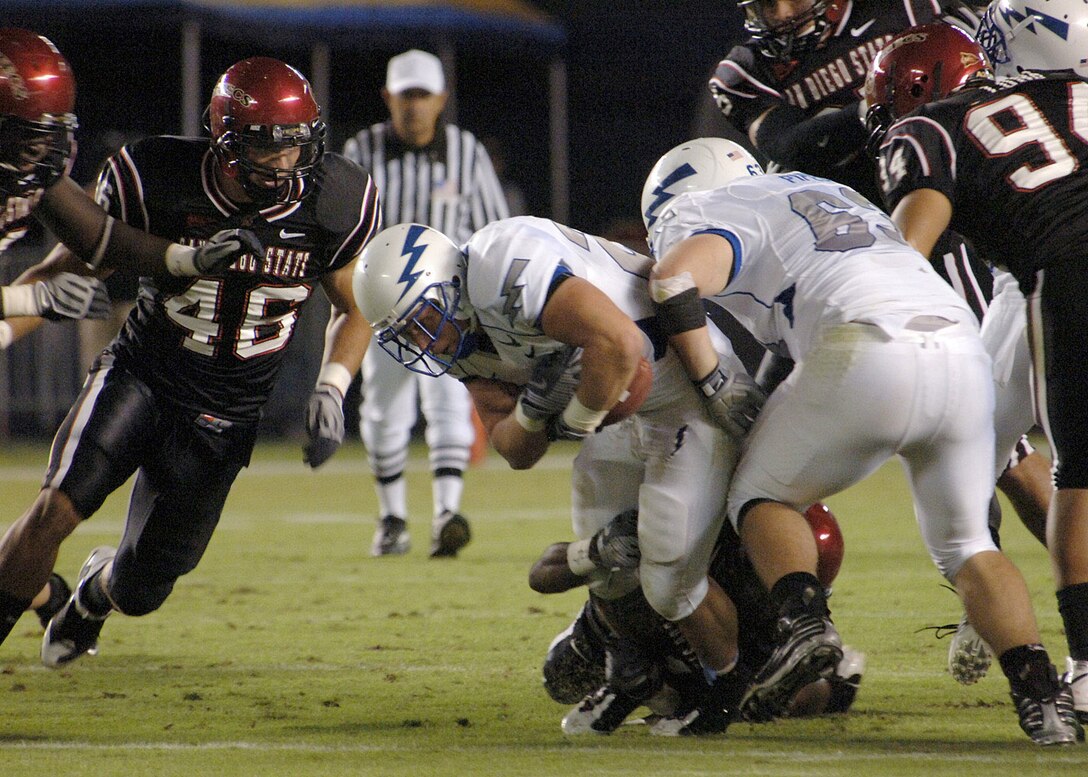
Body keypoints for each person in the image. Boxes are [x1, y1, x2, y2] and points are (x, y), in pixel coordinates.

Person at [642, 136, 1080, 745]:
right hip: (958, 342)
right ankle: (1040, 696)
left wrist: (711, 378)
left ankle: (805, 624)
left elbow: (672, 280)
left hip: (867, 345)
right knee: (967, 543)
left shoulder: (708, 210)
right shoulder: (829, 191)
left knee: (760, 497)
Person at [708, 0, 1053, 685]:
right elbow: (788, 148)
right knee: (754, 448)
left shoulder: (911, 5)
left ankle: (1005, 595)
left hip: (943, 227)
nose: (775, 11)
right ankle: (790, 629)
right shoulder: (742, 70)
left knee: (1004, 451)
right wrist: (890, 107)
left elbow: (998, 60)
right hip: (841, 260)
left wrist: (919, 112)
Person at [0, 55, 382, 666]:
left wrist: (333, 386)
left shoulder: (335, 198)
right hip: (142, 375)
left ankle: (93, 596)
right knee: (56, 508)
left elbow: (355, 304)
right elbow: (62, 274)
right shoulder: (155, 176)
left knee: (143, 588)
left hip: (228, 411)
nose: (286, 163)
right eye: (268, 148)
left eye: (296, 146)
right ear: (227, 142)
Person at [352, 209, 766, 734]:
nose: (424, 343)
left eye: (423, 321)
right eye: (406, 336)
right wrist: (533, 412)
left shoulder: (502, 267)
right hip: (615, 403)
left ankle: (728, 688)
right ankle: (651, 679)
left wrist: (569, 421)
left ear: (448, 284)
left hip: (684, 388)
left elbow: (620, 345)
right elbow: (513, 448)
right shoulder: (460, 341)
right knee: (604, 553)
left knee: (668, 569)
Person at [864, 16, 1088, 727]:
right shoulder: (1069, 98)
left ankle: (1070, 659)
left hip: (1059, 269)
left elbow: (909, 247)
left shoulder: (934, 126)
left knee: (1063, 473)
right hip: (1029, 277)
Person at [342, 49, 510, 559]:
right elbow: (344, 228)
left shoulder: (466, 151)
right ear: (387, 98)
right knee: (383, 411)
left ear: (440, 99)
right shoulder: (362, 149)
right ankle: (392, 518)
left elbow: (491, 230)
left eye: (422, 95)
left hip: (446, 306)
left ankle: (446, 513)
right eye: (404, 95)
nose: (413, 106)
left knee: (449, 404)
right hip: (382, 305)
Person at [532, 502, 865, 735]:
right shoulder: (694, 535)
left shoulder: (768, 618)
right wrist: (597, 551)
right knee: (563, 675)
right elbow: (542, 573)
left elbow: (770, 696)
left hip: (697, 651)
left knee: (737, 693)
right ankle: (635, 665)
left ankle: (653, 685)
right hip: (624, 625)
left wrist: (831, 693)